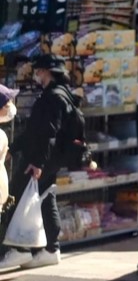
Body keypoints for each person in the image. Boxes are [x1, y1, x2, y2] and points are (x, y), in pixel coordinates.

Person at [0, 58, 74, 271]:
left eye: (39, 71)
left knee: (17, 195)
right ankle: (51, 249)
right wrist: (13, 150)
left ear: (46, 72)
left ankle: (19, 249)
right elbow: (38, 131)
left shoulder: (51, 98)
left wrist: (37, 162)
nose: (36, 75)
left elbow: (46, 133)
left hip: (40, 158)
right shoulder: (64, 94)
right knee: (44, 198)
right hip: (51, 158)